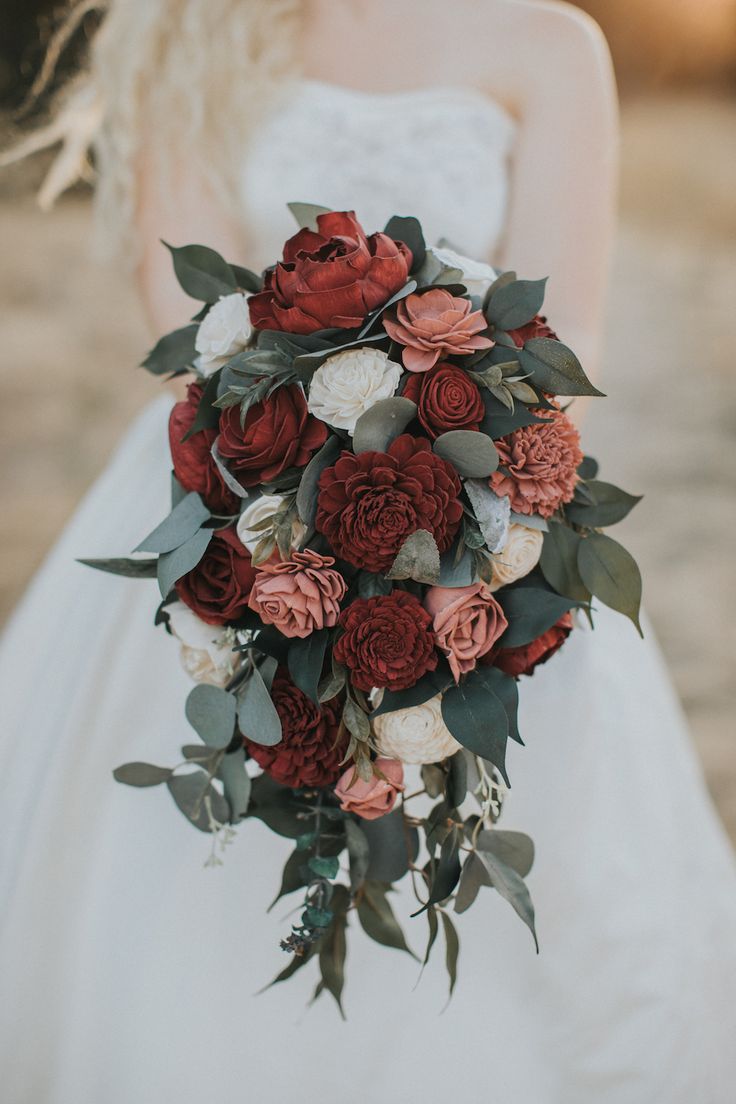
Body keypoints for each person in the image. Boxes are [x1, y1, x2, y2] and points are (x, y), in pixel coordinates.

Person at [1, 2, 735, 1101]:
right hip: (234, 495)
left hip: (479, 527)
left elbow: (564, 334)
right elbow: (185, 319)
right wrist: (305, 506)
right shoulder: (188, 29)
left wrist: (436, 520)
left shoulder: (549, 46)